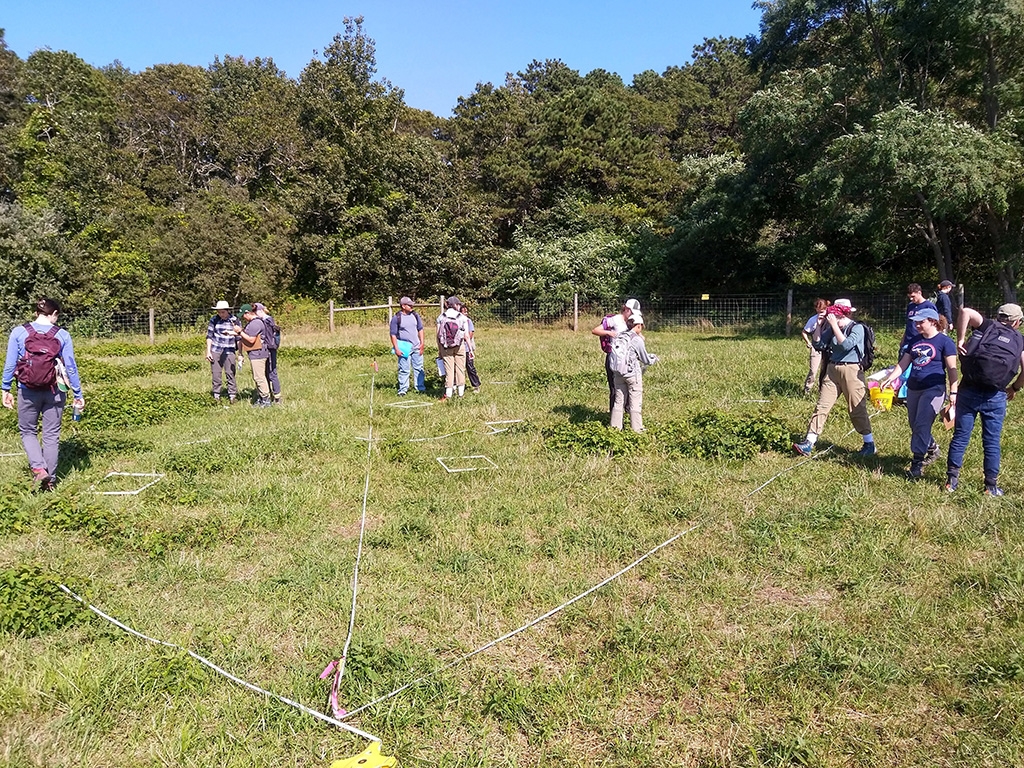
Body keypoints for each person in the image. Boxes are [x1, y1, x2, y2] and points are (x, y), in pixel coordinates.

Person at [1, 298, 84, 491]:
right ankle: (51, 483)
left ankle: (39, 469)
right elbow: (70, 367)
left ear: (36, 313)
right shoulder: (62, 335)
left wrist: (5, 388)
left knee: (28, 431)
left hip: (27, 390)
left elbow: (10, 364)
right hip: (55, 392)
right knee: (51, 435)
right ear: (54, 314)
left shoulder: (19, 332)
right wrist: (78, 393)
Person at [945, 303, 1024, 495]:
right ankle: (990, 486)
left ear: (999, 317)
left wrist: (961, 339)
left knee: (961, 437)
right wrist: (1014, 387)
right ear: (1017, 322)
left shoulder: (988, 326)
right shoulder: (1019, 340)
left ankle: (951, 482)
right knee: (991, 441)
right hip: (995, 395)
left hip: (969, 389)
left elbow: (965, 311)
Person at [879, 307, 958, 479]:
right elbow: (903, 363)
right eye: (916, 322)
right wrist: (890, 379)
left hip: (934, 389)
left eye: (921, 322)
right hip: (914, 388)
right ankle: (933, 449)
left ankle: (916, 464)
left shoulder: (945, 342)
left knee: (922, 424)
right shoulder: (915, 340)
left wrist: (954, 392)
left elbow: (952, 369)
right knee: (914, 425)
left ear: (933, 321)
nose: (917, 325)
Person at [793, 300, 877, 457]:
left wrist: (833, 326)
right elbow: (818, 344)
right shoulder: (833, 327)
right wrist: (818, 325)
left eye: (833, 314)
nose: (830, 317)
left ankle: (869, 443)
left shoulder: (857, 328)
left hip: (851, 370)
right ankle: (809, 442)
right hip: (832, 369)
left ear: (843, 314)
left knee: (856, 409)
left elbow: (845, 345)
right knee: (821, 406)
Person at [610, 312, 658, 432]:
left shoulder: (620, 336)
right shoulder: (637, 339)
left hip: (618, 373)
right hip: (632, 374)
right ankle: (637, 429)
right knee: (635, 401)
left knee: (618, 400)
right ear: (638, 325)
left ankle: (615, 428)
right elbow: (644, 359)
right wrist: (653, 359)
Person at [592, 298, 640, 412]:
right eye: (632, 312)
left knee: (630, 388)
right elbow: (595, 330)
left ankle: (628, 416)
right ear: (627, 310)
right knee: (615, 389)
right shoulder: (615, 320)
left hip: (628, 359)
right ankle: (614, 418)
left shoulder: (632, 322)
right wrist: (609, 332)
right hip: (614, 359)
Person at [389, 296, 426, 396]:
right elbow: (393, 334)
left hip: (417, 347)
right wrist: (396, 348)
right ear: (403, 306)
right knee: (404, 369)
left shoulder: (415, 315)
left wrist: (422, 343)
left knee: (419, 368)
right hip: (404, 348)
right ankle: (403, 390)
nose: (411, 306)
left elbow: (420, 329)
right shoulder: (396, 318)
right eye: (409, 305)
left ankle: (420, 388)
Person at [436, 296, 471, 401]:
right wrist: (471, 349)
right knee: (460, 369)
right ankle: (461, 394)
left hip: (446, 346)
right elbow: (466, 335)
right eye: (459, 304)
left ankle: (448, 394)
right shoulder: (462, 317)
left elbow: (438, 335)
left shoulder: (441, 317)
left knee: (449, 370)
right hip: (459, 346)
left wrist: (439, 349)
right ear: (456, 305)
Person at [206, 300, 240, 403]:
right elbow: (209, 336)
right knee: (216, 373)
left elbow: (239, 337)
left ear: (227, 311)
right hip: (216, 349)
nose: (221, 314)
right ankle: (216, 395)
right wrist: (208, 351)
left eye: (223, 312)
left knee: (230, 373)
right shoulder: (214, 320)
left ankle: (232, 395)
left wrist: (240, 353)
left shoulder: (235, 320)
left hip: (229, 349)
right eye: (219, 312)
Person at [238, 304, 272, 406]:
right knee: (257, 376)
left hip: (258, 354)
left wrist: (239, 331)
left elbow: (251, 339)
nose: (243, 318)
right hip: (256, 353)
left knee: (259, 377)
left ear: (248, 313)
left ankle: (266, 400)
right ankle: (261, 397)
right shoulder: (253, 323)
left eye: (243, 315)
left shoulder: (255, 323)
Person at [254, 303, 282, 404]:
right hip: (267, 349)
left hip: (270, 349)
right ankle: (267, 395)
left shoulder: (267, 321)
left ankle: (277, 397)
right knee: (265, 373)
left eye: (255, 312)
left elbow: (267, 338)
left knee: (271, 373)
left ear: (260, 311)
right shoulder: (266, 320)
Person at [801, 298, 829, 394]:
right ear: (815, 309)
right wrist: (808, 342)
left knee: (825, 370)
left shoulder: (830, 319)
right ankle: (807, 389)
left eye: (823, 309)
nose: (821, 311)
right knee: (813, 370)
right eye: (819, 309)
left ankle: (823, 390)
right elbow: (804, 332)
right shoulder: (813, 320)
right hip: (816, 348)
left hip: (828, 348)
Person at [901, 283, 939, 349]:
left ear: (919, 293)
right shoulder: (910, 306)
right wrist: (903, 339)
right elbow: (909, 324)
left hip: (921, 340)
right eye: (909, 297)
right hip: (908, 341)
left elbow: (934, 324)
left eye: (913, 296)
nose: (911, 299)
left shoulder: (929, 306)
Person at [459, 302, 481, 393]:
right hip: (458, 348)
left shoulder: (468, 321)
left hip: (467, 348)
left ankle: (476, 385)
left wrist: (462, 336)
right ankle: (459, 385)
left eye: (466, 312)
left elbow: (470, 334)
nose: (466, 313)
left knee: (470, 367)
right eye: (464, 312)